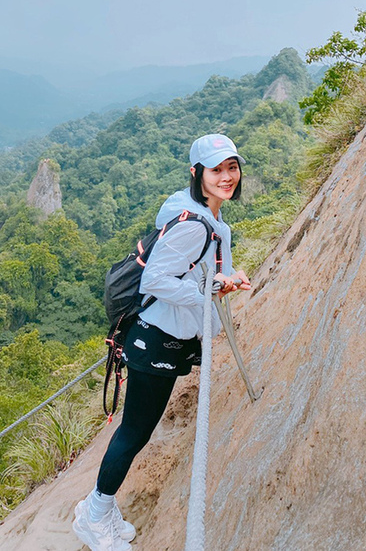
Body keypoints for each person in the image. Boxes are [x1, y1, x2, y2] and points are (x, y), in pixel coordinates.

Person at [72, 134, 251, 551]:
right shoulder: (195, 225)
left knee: (138, 429)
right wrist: (208, 292)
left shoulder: (194, 210)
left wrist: (219, 281)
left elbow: (191, 275)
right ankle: (95, 514)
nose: (226, 177)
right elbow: (156, 279)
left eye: (232, 167)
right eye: (216, 170)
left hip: (160, 333)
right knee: (134, 432)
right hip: (156, 340)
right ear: (197, 174)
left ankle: (101, 507)